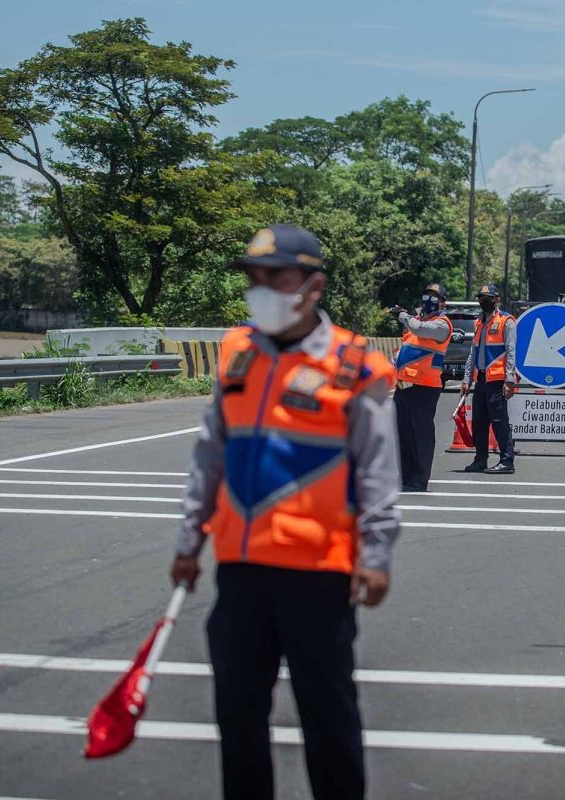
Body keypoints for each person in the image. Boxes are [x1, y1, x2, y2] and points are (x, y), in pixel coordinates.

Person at [170, 225, 400, 799]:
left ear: (313, 285)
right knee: (238, 717)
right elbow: (211, 451)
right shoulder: (237, 352)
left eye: (277, 276)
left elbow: (377, 469)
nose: (262, 287)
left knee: (328, 718)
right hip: (241, 570)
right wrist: (187, 540)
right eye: (254, 277)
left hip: (318, 574)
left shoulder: (354, 364)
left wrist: (375, 554)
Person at [390, 283, 453, 492]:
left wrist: (403, 315)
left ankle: (419, 479)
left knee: (421, 435)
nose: (429, 299)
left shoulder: (441, 325)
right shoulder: (417, 323)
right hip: (404, 386)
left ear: (443, 302)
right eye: (427, 294)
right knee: (403, 434)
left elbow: (418, 328)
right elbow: (405, 350)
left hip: (425, 387)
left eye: (434, 296)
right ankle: (405, 478)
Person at [459, 284, 516, 474]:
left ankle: (507, 461)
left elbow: (511, 351)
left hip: (498, 380)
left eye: (487, 298)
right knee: (479, 421)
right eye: (481, 298)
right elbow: (472, 354)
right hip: (481, 379)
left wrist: (509, 380)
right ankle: (480, 459)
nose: (483, 301)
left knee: (500, 421)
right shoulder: (478, 323)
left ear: (496, 299)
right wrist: (467, 378)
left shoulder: (506, 321)